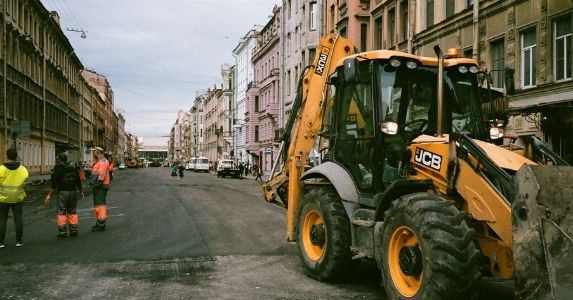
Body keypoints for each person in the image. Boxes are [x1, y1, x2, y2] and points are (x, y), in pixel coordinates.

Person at [44, 153, 84, 238]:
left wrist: (49, 195)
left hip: (62, 192)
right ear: (66, 160)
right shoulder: (73, 169)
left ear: (59, 160)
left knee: (61, 211)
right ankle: (74, 230)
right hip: (73, 192)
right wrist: (81, 191)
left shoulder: (58, 170)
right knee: (72, 211)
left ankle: (62, 232)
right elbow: (78, 181)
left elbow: (54, 184)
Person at [0, 148, 29, 248]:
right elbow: (25, 177)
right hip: (17, 197)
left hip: (3, 198)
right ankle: (19, 241)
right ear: (16, 156)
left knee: (2, 219)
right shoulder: (22, 169)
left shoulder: (1, 169)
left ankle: (1, 242)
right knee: (18, 218)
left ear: (7, 156)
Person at [89, 147, 110, 232]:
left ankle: (101, 224)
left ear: (97, 152)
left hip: (100, 187)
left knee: (100, 206)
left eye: (94, 152)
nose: (93, 153)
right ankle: (99, 223)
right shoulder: (100, 161)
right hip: (99, 186)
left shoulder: (103, 161)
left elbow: (101, 175)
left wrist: (96, 184)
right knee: (98, 206)